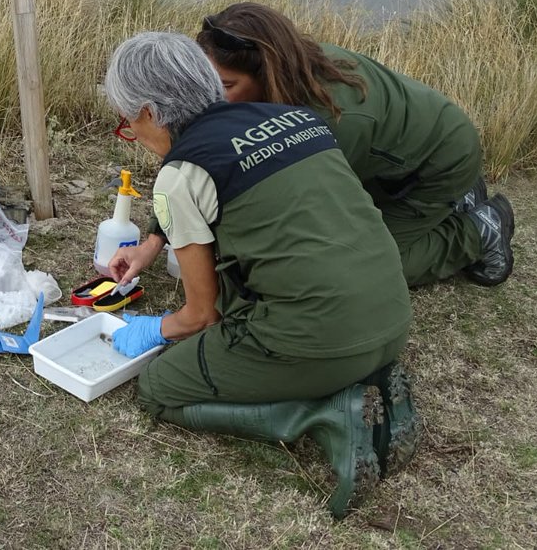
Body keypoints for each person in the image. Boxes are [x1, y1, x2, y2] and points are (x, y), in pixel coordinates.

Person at [103, 31, 416, 519]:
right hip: (392, 317)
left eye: (127, 122)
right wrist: (150, 245)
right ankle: (363, 371)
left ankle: (322, 416)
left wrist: (150, 329)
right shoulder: (292, 118)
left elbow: (200, 316)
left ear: (147, 111)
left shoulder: (179, 174)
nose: (133, 134)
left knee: (160, 388)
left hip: (322, 335)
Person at [194, 2, 515, 288]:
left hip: (439, 164)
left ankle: (478, 231)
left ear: (267, 72)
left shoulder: (328, 122)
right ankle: (456, 200)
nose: (215, 98)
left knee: (363, 266)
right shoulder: (291, 63)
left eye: (226, 85)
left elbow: (303, 210)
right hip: (403, 149)